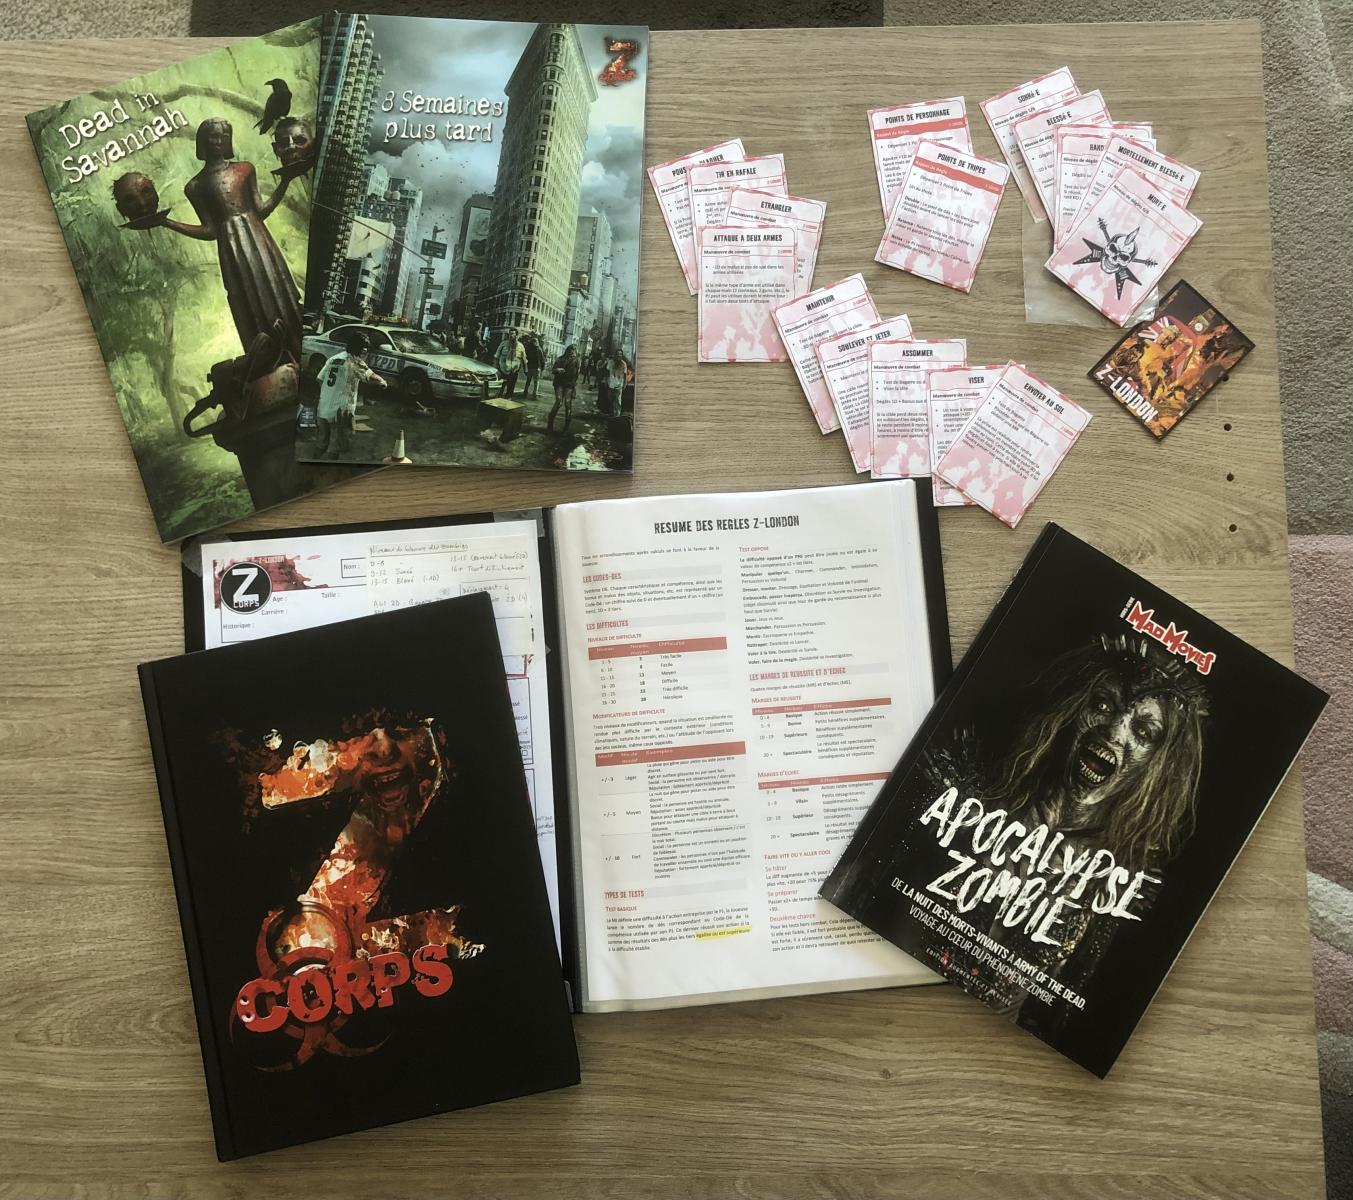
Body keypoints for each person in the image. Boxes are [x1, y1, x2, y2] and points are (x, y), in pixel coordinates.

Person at [315, 332, 386, 458]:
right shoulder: (354, 361)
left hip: (323, 408)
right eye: (364, 349)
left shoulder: (333, 358)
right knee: (335, 447)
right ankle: (329, 468)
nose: (365, 352)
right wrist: (383, 382)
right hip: (340, 411)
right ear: (359, 349)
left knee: (321, 443)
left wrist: (330, 392)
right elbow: (370, 376)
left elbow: (319, 379)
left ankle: (313, 462)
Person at [548, 345, 579, 432]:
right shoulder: (560, 359)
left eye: (574, 352)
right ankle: (550, 424)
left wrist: (574, 388)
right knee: (558, 402)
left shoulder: (577, 361)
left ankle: (566, 428)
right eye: (571, 352)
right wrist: (558, 370)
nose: (572, 354)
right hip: (559, 383)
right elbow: (553, 370)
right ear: (567, 352)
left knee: (568, 404)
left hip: (569, 385)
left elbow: (576, 375)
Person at [495, 330, 526, 398]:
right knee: (500, 387)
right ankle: (498, 398)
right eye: (509, 334)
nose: (510, 335)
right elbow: (497, 356)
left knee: (510, 388)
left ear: (516, 335)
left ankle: (508, 399)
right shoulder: (503, 343)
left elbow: (524, 358)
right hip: (503, 370)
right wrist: (496, 367)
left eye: (512, 334)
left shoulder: (520, 346)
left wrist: (525, 369)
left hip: (514, 371)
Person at [522, 332, 545, 398]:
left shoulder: (530, 348)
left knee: (530, 381)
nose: (535, 343)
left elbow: (525, 358)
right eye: (535, 342)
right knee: (535, 381)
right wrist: (542, 368)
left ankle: (528, 392)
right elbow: (542, 359)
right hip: (535, 367)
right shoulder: (539, 349)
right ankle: (533, 393)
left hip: (532, 367)